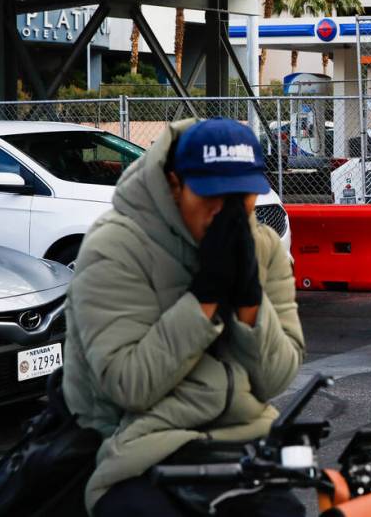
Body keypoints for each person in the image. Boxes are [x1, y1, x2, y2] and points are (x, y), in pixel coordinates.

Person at [62, 118, 305, 517]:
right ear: (174, 185)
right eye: (211, 196)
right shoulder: (116, 246)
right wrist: (205, 298)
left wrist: (248, 302)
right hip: (136, 447)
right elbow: (129, 385)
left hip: (242, 440)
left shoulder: (261, 247)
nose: (226, 213)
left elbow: (276, 378)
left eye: (240, 197)